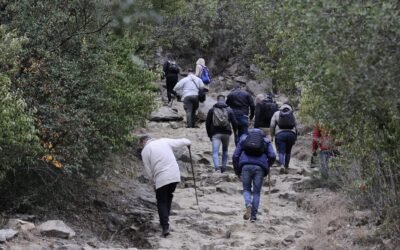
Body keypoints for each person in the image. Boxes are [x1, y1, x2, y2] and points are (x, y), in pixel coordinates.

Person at [139, 135, 192, 237]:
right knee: (168, 196)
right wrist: (188, 142)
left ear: (143, 143)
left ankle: (165, 227)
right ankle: (165, 219)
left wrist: (153, 182)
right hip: (175, 175)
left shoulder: (145, 151)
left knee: (161, 201)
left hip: (161, 176)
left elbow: (148, 170)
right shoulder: (163, 141)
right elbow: (180, 141)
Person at [232, 128, 275, 222]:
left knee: (246, 189)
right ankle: (253, 217)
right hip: (259, 168)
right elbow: (272, 156)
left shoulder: (244, 139)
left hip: (245, 166)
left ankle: (248, 204)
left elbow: (235, 155)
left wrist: (237, 170)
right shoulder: (266, 141)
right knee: (256, 192)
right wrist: (267, 166)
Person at [205, 95, 238, 172]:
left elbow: (207, 123)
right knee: (225, 150)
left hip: (215, 133)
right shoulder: (229, 110)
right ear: (224, 100)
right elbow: (235, 122)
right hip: (226, 133)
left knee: (215, 152)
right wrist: (235, 132)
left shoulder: (212, 110)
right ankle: (223, 167)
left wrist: (209, 134)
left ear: (217, 100)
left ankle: (217, 168)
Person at [270, 103, 298, 174]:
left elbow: (272, 125)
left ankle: (281, 165)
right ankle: (286, 166)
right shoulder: (292, 114)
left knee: (281, 151)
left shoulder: (277, 113)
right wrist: (296, 136)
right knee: (288, 151)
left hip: (280, 134)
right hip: (291, 134)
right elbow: (296, 125)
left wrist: (272, 135)